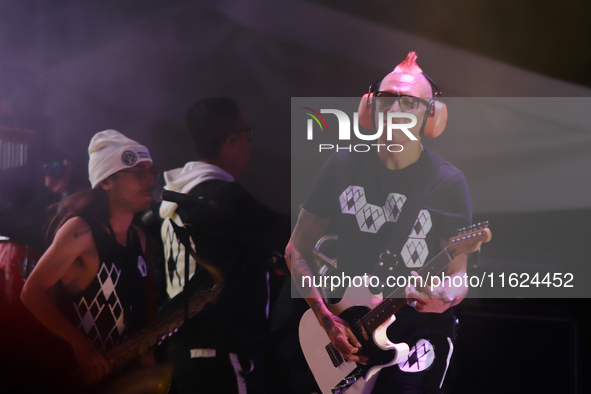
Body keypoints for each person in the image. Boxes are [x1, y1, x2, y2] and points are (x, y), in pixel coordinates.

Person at [286, 52, 472, 394]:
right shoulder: (341, 165)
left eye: (411, 103)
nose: (397, 111)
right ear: (369, 107)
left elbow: (458, 275)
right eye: (387, 100)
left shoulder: (446, 182)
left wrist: (442, 297)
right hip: (352, 328)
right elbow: (296, 250)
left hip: (419, 331)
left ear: (432, 117)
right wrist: (328, 322)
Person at [159, 97, 290, 394]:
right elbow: (293, 235)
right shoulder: (220, 197)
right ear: (232, 140)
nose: (249, 143)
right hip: (220, 359)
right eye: (247, 135)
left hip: (187, 353)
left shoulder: (182, 196)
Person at [21, 129, 158, 387]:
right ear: (106, 181)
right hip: (82, 381)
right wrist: (80, 346)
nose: (149, 179)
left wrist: (148, 363)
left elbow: (135, 310)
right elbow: (31, 292)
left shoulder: (136, 237)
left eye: (151, 170)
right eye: (137, 172)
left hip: (124, 377)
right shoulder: (80, 231)